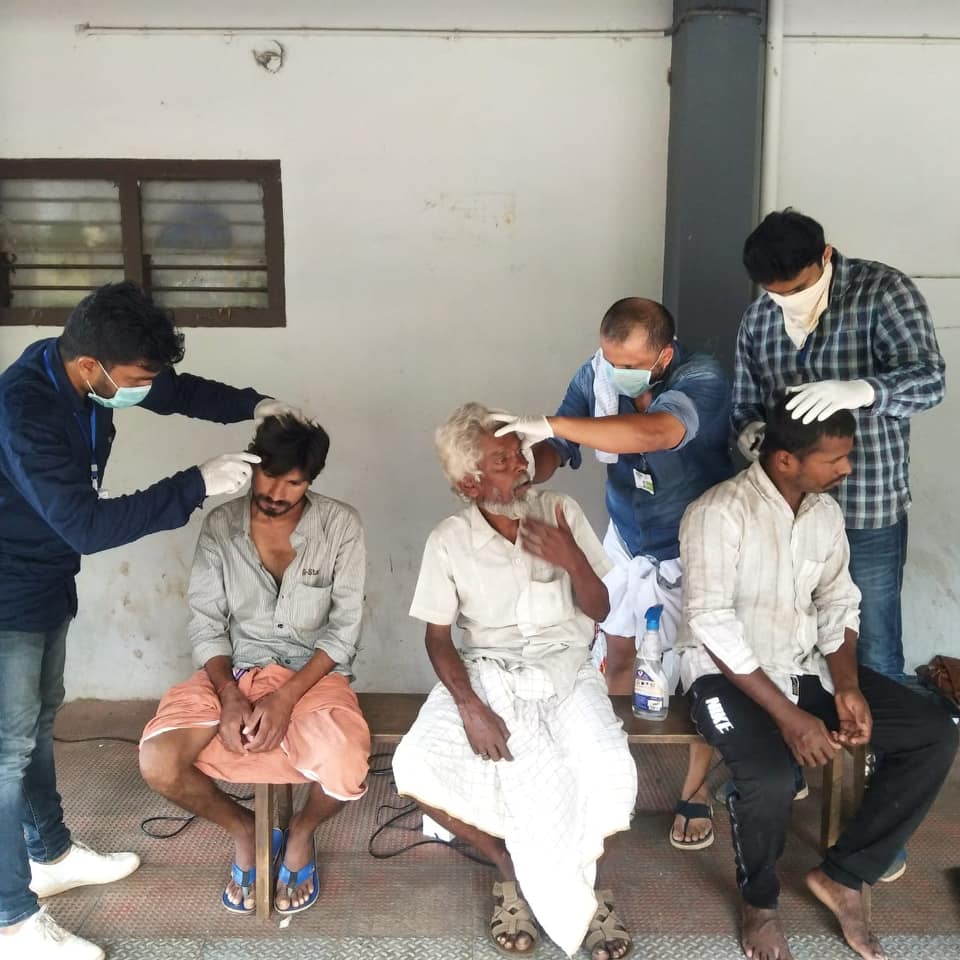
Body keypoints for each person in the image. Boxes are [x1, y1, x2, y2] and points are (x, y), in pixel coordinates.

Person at [0, 282, 301, 959]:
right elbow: (84, 524)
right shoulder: (25, 408)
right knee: (6, 752)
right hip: (5, 589)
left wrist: (255, 404)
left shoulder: (92, 376)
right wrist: (194, 486)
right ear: (93, 367)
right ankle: (12, 920)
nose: (145, 389)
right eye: (136, 379)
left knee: (38, 722)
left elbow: (179, 391)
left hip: (44, 579)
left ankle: (49, 856)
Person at [677, 396, 958, 960]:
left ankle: (846, 873)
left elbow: (837, 602)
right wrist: (790, 717)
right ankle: (759, 902)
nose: (846, 469)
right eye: (835, 459)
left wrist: (848, 685)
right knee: (771, 775)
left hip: (802, 666)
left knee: (934, 732)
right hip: (721, 676)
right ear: (784, 460)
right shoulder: (718, 512)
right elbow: (712, 623)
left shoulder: (824, 515)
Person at [392, 403, 637, 959]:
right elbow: (438, 639)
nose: (523, 464)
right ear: (470, 481)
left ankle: (593, 894)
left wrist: (571, 556)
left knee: (609, 769)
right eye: (505, 459)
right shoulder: (448, 540)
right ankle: (510, 868)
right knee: (415, 765)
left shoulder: (561, 511)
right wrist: (471, 707)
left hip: (568, 670)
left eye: (521, 452)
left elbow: (599, 609)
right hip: (489, 671)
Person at [495, 297, 733, 849]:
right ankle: (613, 775)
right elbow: (562, 445)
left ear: (664, 354)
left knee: (702, 670)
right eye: (607, 358)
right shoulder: (597, 374)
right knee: (618, 651)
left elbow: (653, 433)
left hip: (695, 542)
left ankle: (694, 791)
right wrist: (528, 467)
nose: (613, 372)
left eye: (627, 363)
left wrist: (552, 423)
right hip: (628, 534)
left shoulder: (703, 378)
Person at [139, 414, 369, 915]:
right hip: (234, 672)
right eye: (270, 475)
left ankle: (301, 834)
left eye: (295, 482)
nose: (279, 492)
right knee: (159, 761)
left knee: (348, 764)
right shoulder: (221, 526)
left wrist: (286, 698)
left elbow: (345, 629)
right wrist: (229, 694)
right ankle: (244, 831)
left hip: (313, 676)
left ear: (311, 481)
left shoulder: (340, 526)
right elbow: (206, 623)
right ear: (251, 466)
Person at [733, 210, 946, 684]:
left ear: (825, 256)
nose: (786, 300)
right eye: (775, 292)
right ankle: (811, 743)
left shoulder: (882, 292)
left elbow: (930, 381)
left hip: (865, 507)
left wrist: (862, 391)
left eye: (798, 288)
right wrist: (751, 432)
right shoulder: (759, 318)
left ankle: (874, 754)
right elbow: (744, 402)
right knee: (785, 637)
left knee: (873, 649)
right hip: (788, 512)